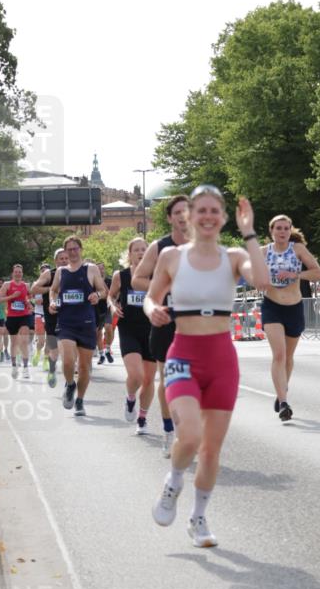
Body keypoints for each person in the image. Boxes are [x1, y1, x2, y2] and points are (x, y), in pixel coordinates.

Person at [144, 186, 269, 547]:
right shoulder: (171, 256)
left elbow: (263, 281)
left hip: (221, 360)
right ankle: (173, 482)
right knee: (190, 436)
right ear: (189, 216)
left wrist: (250, 233)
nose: (208, 216)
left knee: (211, 450)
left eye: (215, 211)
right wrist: (153, 311)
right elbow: (151, 297)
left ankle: (198, 518)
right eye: (202, 210)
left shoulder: (234, 257)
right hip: (183, 355)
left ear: (224, 217)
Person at [134, 195, 190, 455]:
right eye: (177, 212)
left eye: (187, 211)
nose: (182, 216)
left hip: (196, 321)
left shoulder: (205, 246)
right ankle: (169, 430)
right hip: (166, 318)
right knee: (168, 379)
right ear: (169, 218)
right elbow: (137, 280)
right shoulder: (159, 247)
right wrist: (163, 287)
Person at [260, 216, 320, 421]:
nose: (283, 231)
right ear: (271, 231)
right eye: (278, 228)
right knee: (279, 355)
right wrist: (262, 280)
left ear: (290, 231)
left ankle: (282, 391)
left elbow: (318, 273)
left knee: (288, 357)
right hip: (272, 307)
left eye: (286, 228)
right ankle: (284, 402)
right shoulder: (263, 252)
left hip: (294, 308)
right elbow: (252, 277)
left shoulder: (298, 249)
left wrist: (296, 275)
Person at [48, 235, 107, 416]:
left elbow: (103, 290)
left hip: (86, 323)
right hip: (66, 322)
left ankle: (80, 400)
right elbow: (53, 290)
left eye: (75, 248)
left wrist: (97, 295)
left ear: (81, 249)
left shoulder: (91, 269)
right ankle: (70, 384)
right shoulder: (61, 272)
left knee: (84, 366)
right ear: (65, 252)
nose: (72, 252)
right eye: (69, 249)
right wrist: (52, 301)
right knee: (67, 361)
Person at [108, 238, 156, 433]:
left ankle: (142, 418)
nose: (141, 252)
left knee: (148, 380)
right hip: (128, 329)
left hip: (152, 329)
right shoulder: (121, 276)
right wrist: (113, 307)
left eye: (144, 249)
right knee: (136, 375)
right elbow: (110, 296)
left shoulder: (156, 274)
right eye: (136, 250)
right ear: (130, 254)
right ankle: (130, 398)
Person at [31, 247, 68, 388]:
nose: (64, 261)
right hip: (52, 316)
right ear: (55, 261)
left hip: (70, 315)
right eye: (61, 259)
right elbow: (33, 289)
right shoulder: (49, 274)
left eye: (66, 258)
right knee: (54, 350)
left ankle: (69, 380)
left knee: (69, 348)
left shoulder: (75, 272)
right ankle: (52, 370)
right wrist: (52, 288)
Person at [0, 265, 34, 378]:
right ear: (12, 273)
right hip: (12, 317)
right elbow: (0, 299)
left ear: (22, 274)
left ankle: (25, 368)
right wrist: (12, 296)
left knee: (24, 341)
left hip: (24, 316)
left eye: (20, 272)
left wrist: (28, 302)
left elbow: (30, 297)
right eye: (16, 272)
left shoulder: (26, 285)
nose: (18, 274)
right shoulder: (7, 285)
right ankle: (14, 366)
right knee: (14, 343)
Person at [95, 262, 114, 364]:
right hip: (96, 309)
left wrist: (102, 282)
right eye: (98, 269)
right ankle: (101, 354)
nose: (100, 270)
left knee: (109, 328)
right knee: (98, 333)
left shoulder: (109, 280)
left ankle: (107, 349)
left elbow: (109, 294)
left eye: (101, 268)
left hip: (106, 309)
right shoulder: (92, 280)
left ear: (104, 270)